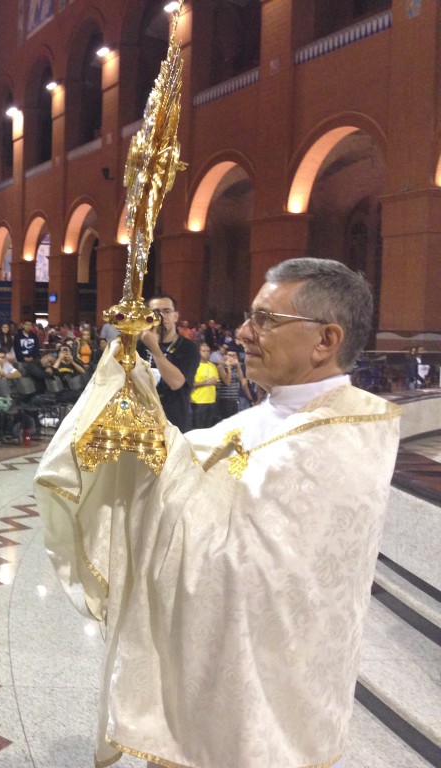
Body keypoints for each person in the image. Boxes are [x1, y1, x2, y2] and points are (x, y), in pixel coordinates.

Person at [36, 258, 401, 768]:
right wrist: (131, 403)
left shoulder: (345, 437)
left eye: (266, 320)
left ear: (326, 339)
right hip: (206, 667)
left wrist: (153, 442)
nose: (245, 332)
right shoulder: (272, 412)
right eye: (252, 317)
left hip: (263, 692)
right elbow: (190, 465)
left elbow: (241, 561)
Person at [138, 293, 200, 431]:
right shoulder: (139, 345)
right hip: (142, 421)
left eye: (167, 311)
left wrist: (154, 348)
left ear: (175, 316)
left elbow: (176, 383)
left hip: (174, 424)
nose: (161, 317)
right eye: (155, 312)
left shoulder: (188, 348)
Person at [190, 342, 220, 429]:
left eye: (208, 351)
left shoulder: (213, 366)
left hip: (211, 401)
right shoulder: (194, 366)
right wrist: (205, 383)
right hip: (198, 401)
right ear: (198, 352)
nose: (206, 353)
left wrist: (215, 382)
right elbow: (190, 384)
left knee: (208, 427)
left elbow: (216, 382)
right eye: (204, 351)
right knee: (198, 427)